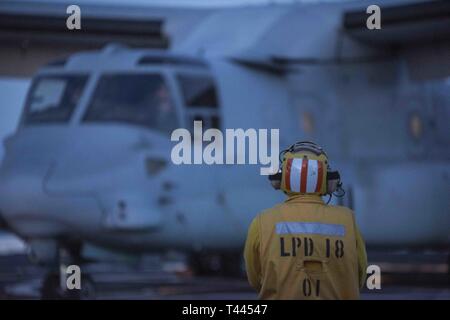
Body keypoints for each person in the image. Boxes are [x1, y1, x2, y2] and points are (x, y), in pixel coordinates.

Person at [244, 141, 367, 299]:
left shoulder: (262, 222)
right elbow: (360, 274)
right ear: (328, 182)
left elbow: (255, 278)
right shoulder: (348, 221)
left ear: (281, 180)